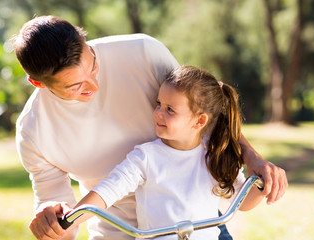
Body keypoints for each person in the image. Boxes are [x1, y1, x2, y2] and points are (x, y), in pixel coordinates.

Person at [13, 15, 287, 240]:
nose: (94, 86)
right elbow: (66, 217)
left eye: (93, 66)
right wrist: (53, 219)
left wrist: (253, 160)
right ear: (38, 84)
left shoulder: (142, 52)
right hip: (115, 232)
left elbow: (202, 110)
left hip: (196, 225)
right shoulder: (33, 131)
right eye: (76, 86)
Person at [59, 65, 265, 240]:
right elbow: (107, 191)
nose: (158, 113)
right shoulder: (146, 157)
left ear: (199, 121)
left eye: (170, 110)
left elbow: (243, 201)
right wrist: (69, 219)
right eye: (159, 104)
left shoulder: (215, 156)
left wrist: (263, 186)